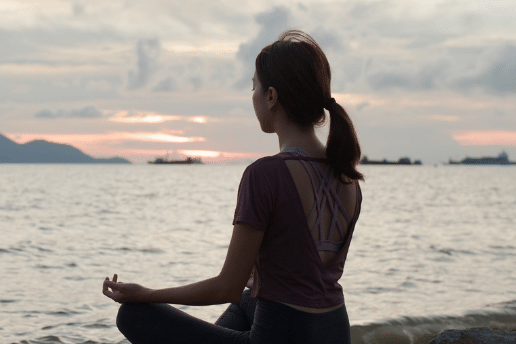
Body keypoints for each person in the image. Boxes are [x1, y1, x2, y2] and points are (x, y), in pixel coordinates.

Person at [102, 29, 364, 344]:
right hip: (335, 333)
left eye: (254, 87)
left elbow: (225, 286)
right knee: (245, 298)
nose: (252, 96)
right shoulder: (347, 175)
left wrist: (147, 294)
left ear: (271, 97)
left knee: (132, 315)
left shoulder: (266, 174)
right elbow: (300, 273)